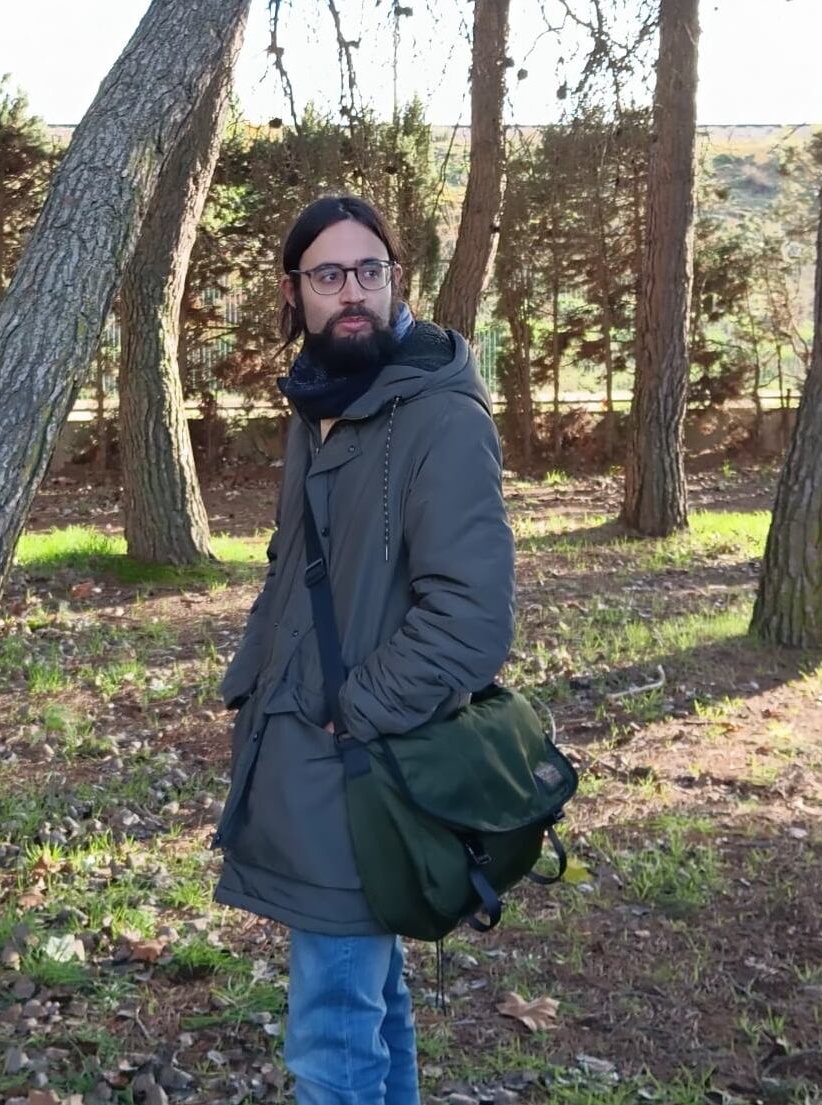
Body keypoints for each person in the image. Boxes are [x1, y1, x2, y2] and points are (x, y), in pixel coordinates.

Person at [211, 195, 516, 1105]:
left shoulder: (439, 417)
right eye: (331, 274)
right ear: (293, 292)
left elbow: (471, 620)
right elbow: (291, 569)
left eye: (370, 271)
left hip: (364, 763)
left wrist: (351, 708)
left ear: (395, 280)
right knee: (369, 1002)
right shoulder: (322, 405)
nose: (354, 292)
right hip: (304, 752)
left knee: (330, 1037)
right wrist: (256, 684)